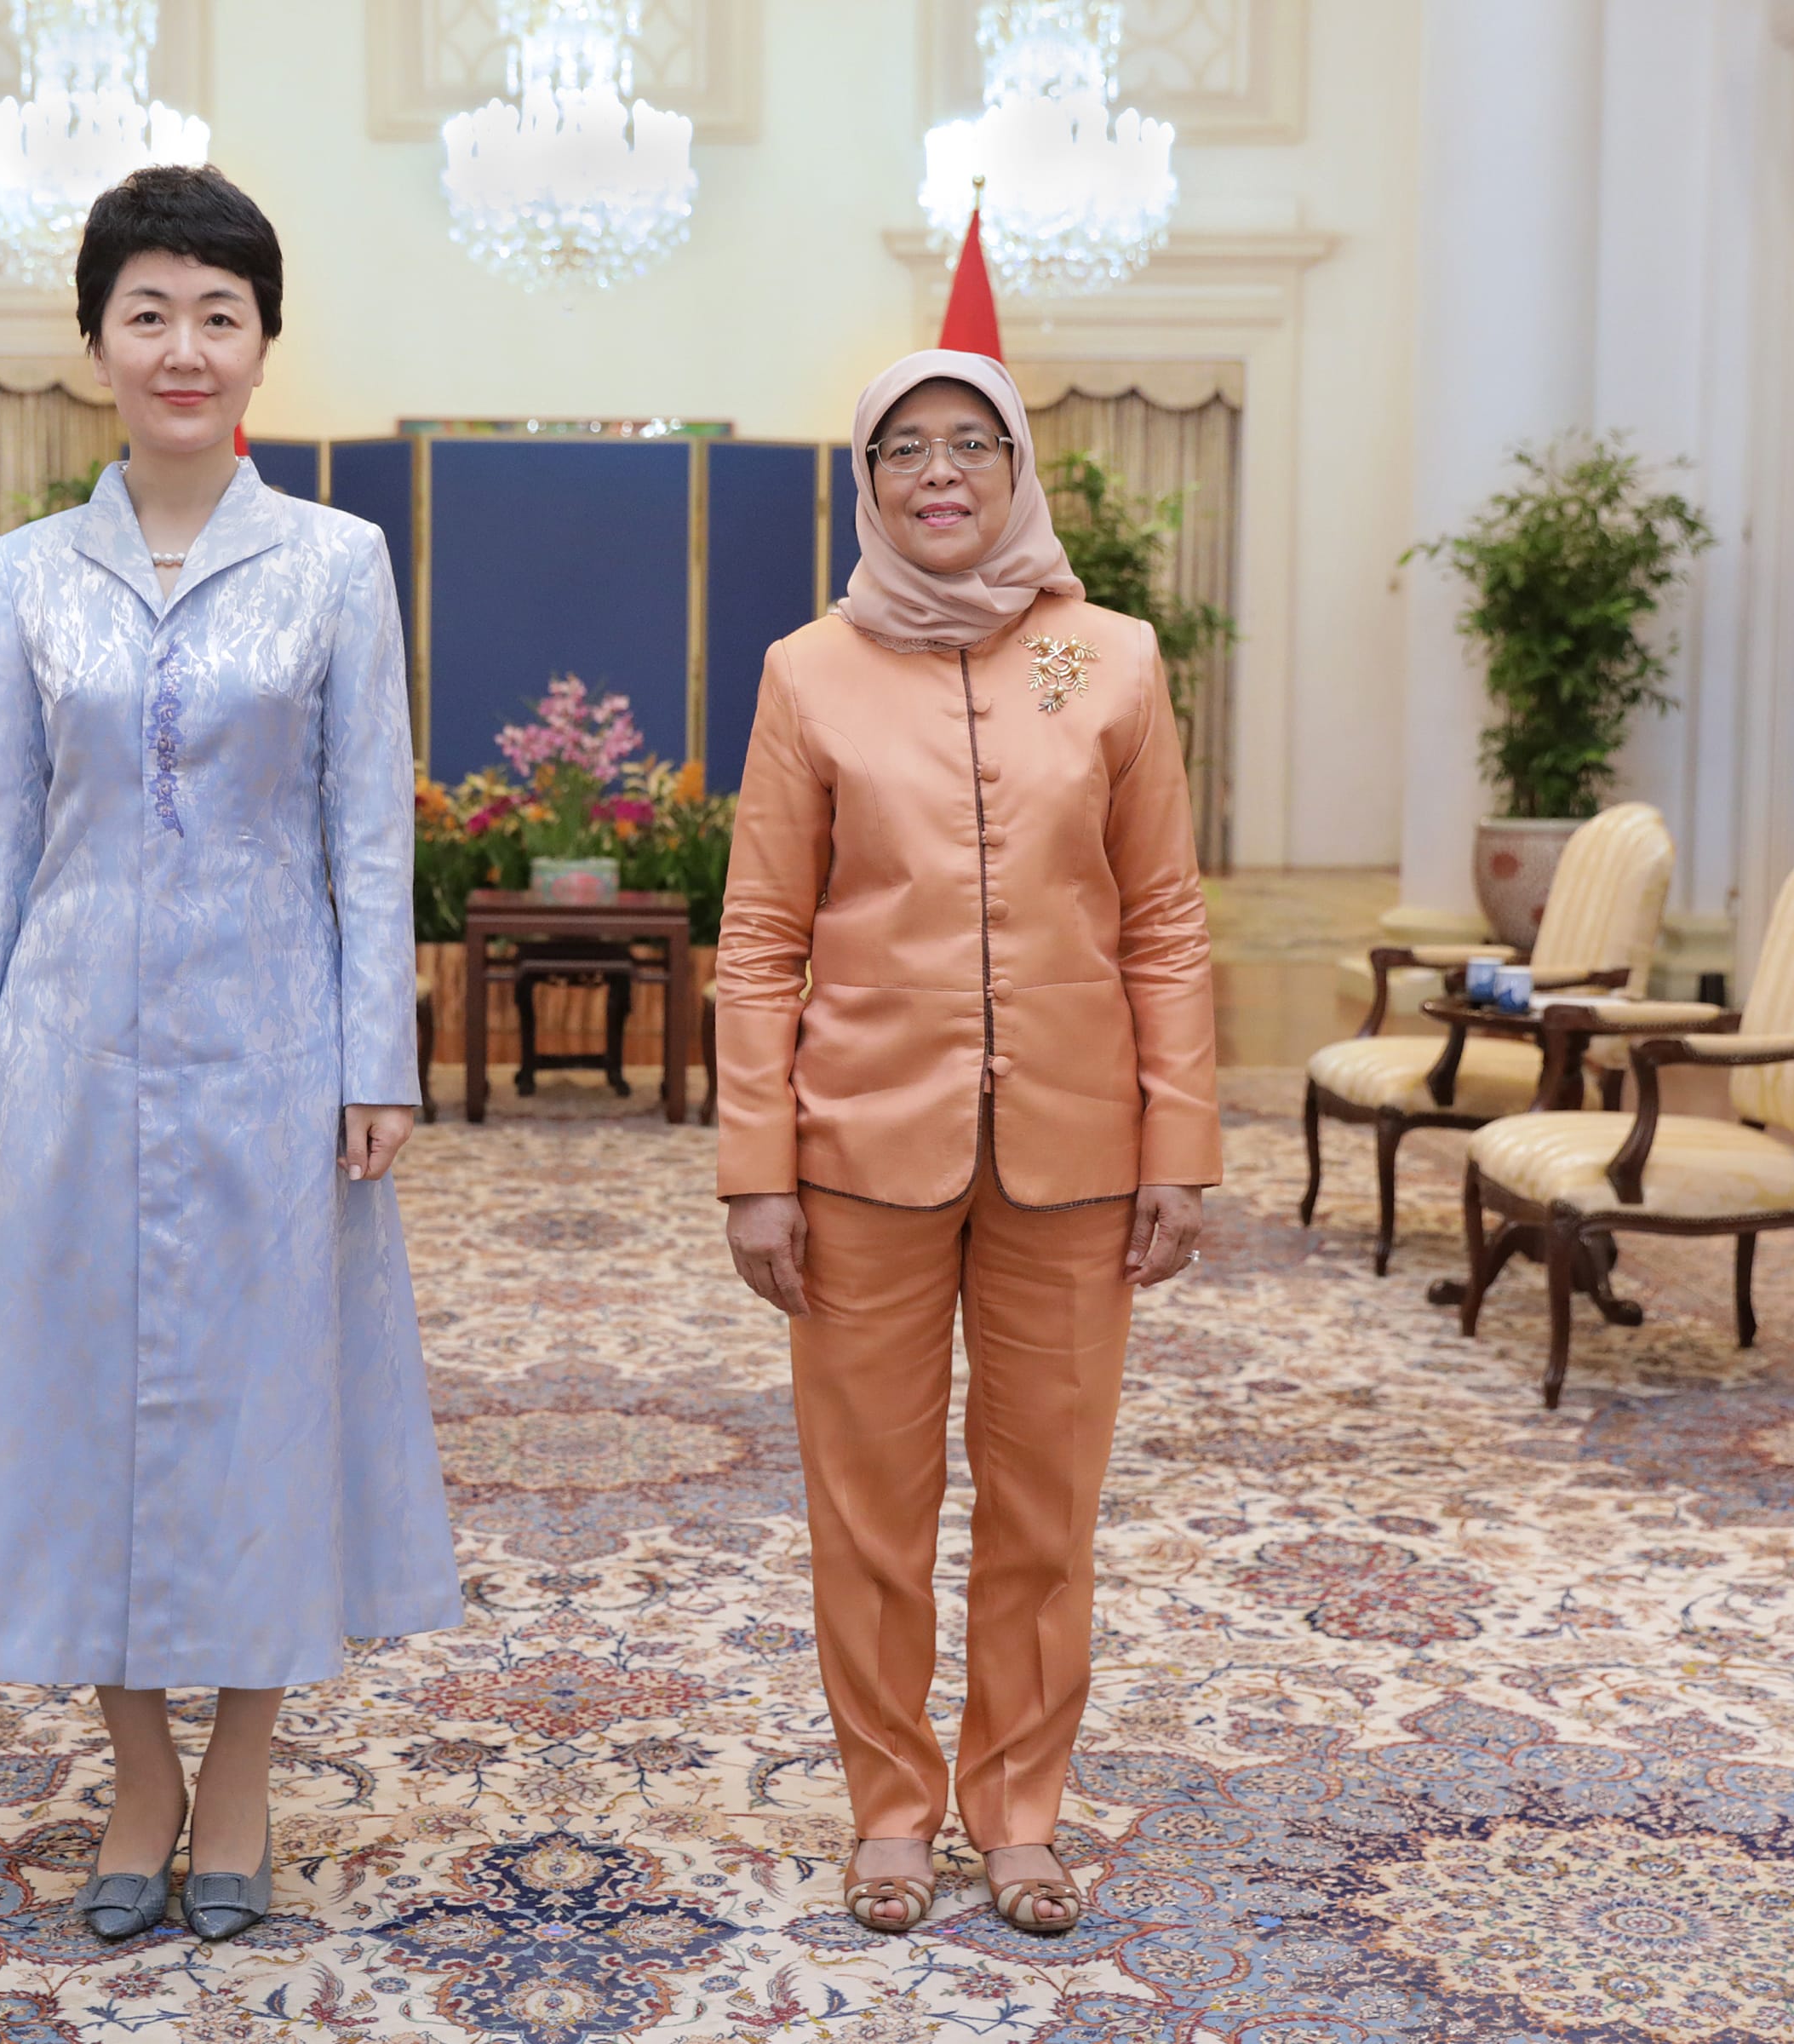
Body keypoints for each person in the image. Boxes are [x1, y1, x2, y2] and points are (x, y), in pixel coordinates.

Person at [0, 165, 463, 1946]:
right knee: (73, 1406)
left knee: (263, 1408)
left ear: (262, 347)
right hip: (66, 1050)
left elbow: (367, 832)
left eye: (217, 312)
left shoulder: (337, 563)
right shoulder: (24, 573)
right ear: (94, 340)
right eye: (148, 309)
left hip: (271, 1046)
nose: (183, 343)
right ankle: (132, 1768)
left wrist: (373, 1056)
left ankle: (237, 1767)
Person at [714, 349, 1218, 1938]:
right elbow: (759, 935)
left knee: (1044, 1500)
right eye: (904, 452)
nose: (939, 475)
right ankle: (888, 1810)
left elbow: (1166, 923)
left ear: (1015, 471)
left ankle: (1017, 1812)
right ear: (866, 485)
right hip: (860, 1147)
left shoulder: (1116, 662)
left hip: (1074, 1150)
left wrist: (1179, 1140)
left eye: (969, 446)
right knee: (867, 1504)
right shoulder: (810, 673)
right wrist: (756, 1165)